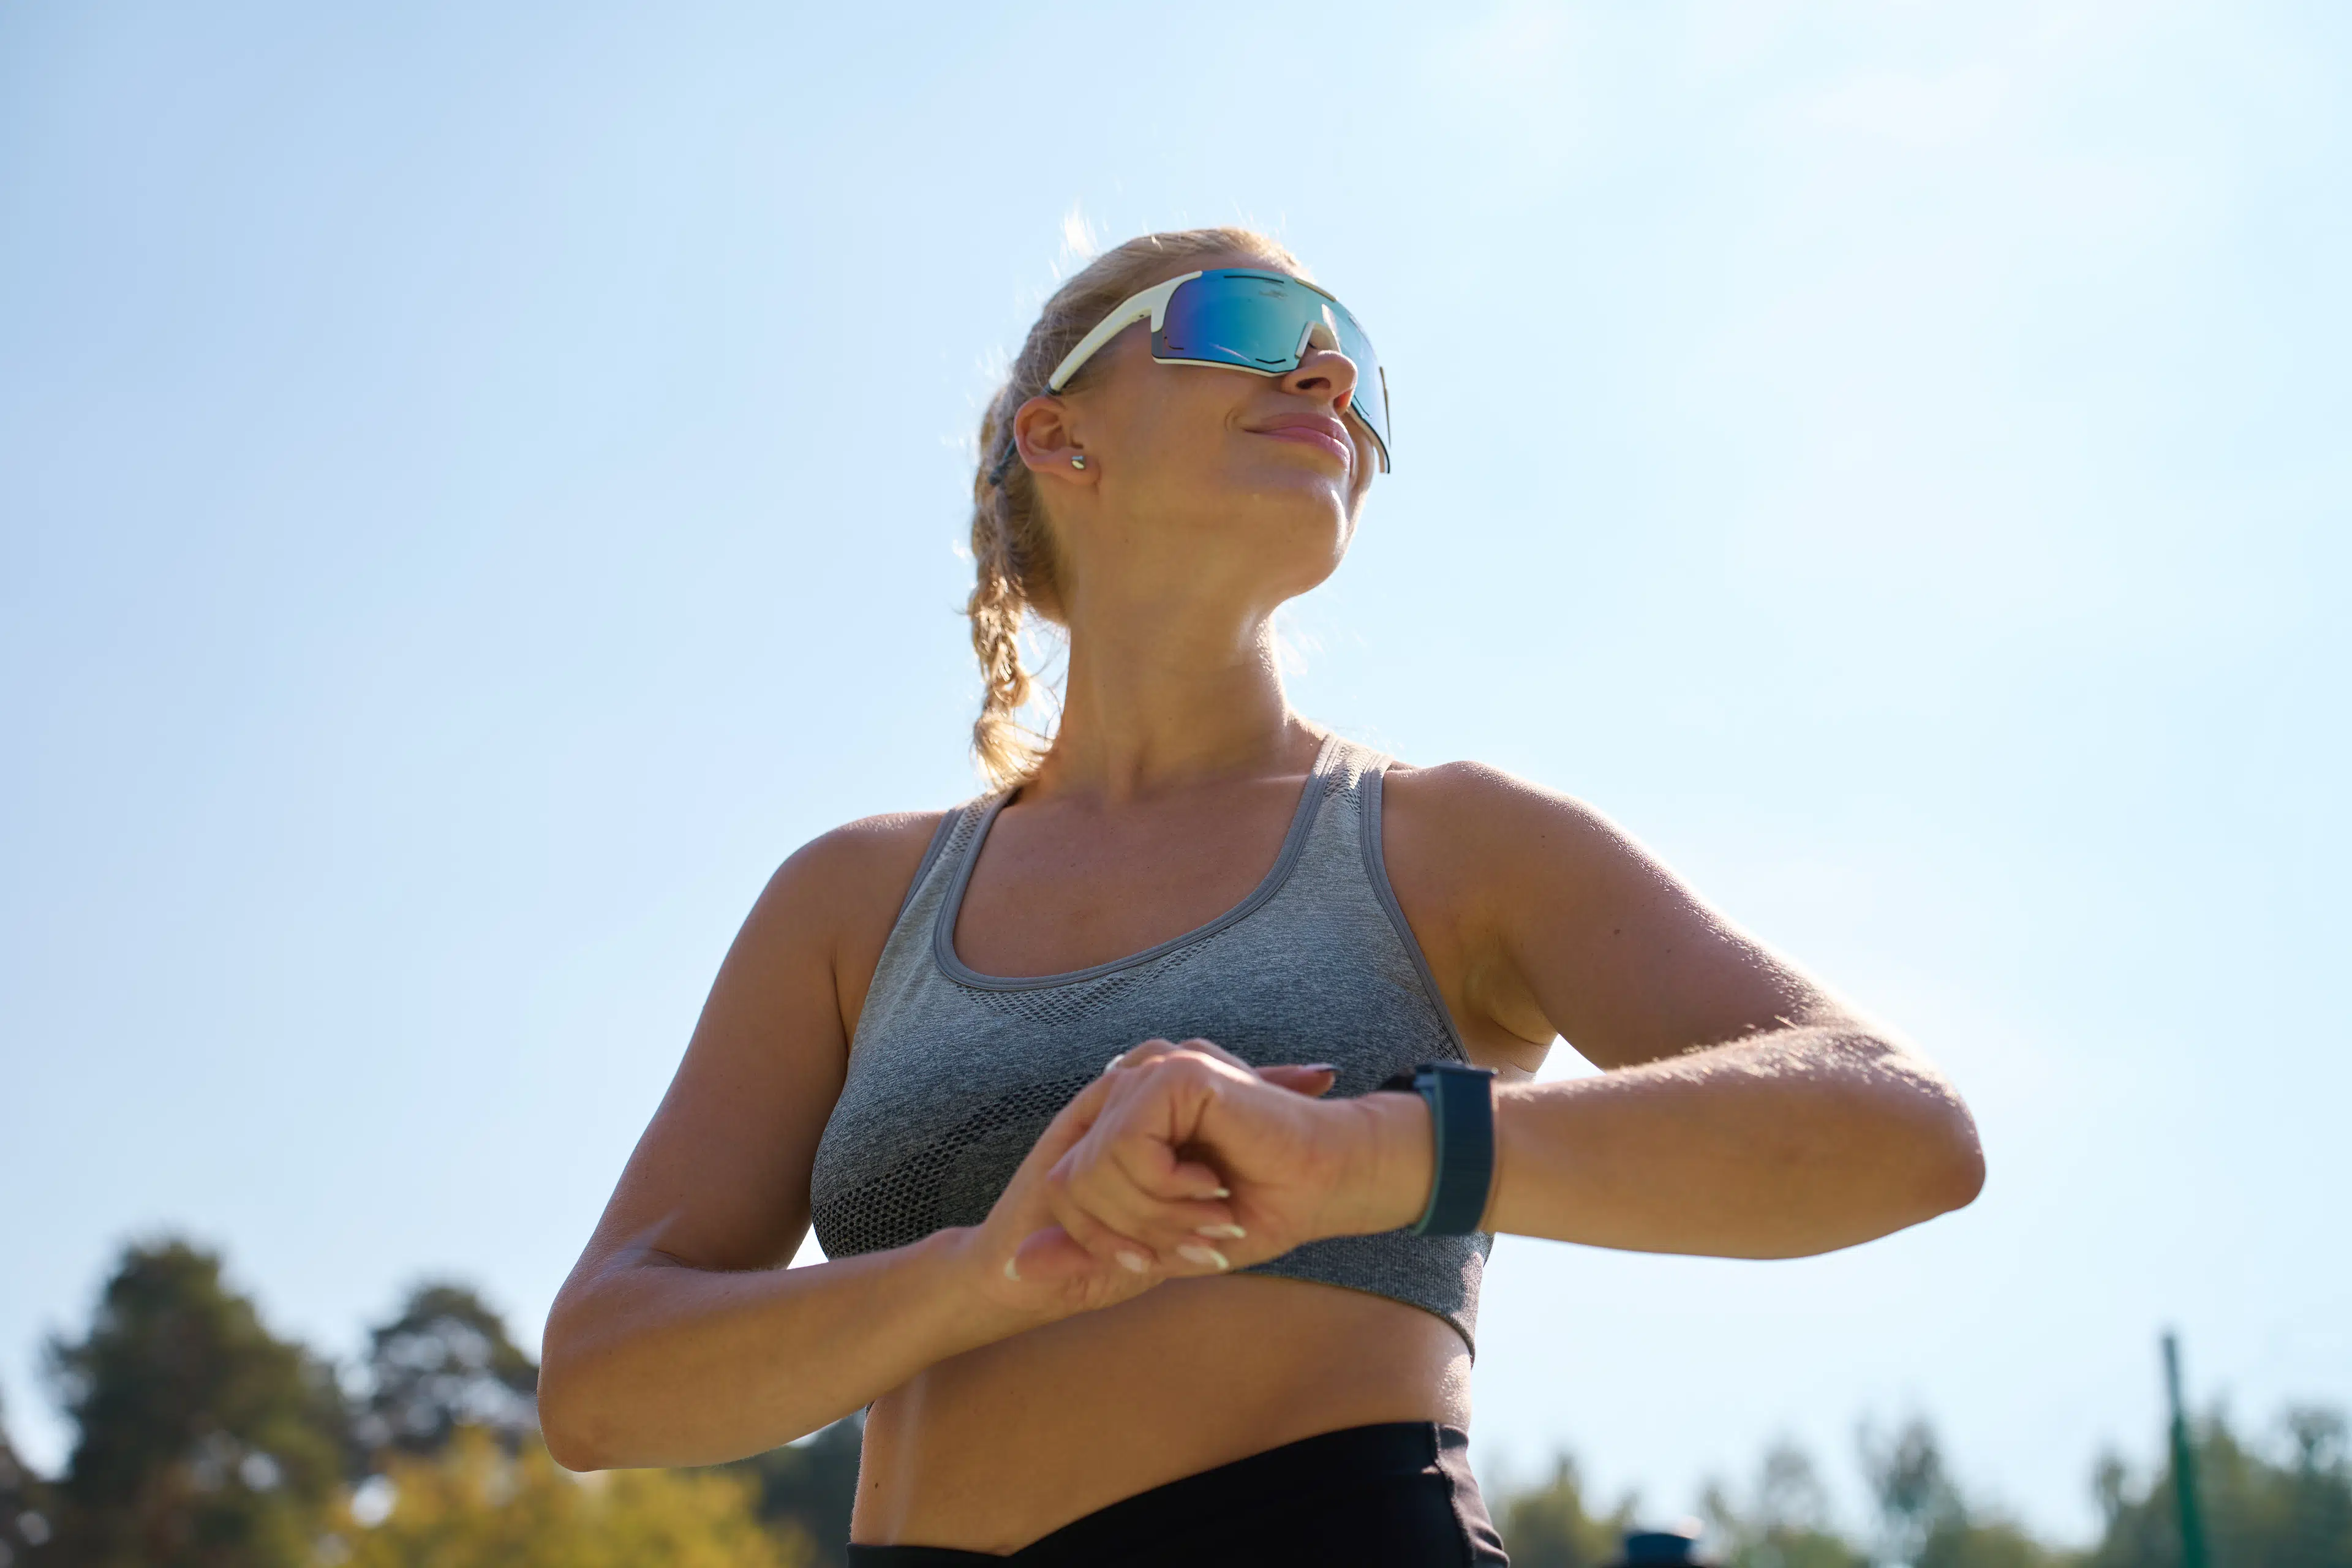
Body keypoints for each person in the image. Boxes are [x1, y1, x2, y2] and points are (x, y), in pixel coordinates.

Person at [538, 227, 1985, 1566]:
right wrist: (991, 1268)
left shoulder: (1453, 840)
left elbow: (1902, 1129)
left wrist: (1367, 1153)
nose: (1329, 372)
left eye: (1351, 357)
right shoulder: (852, 899)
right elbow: (601, 1386)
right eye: (1247, 320)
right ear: (1059, 431)